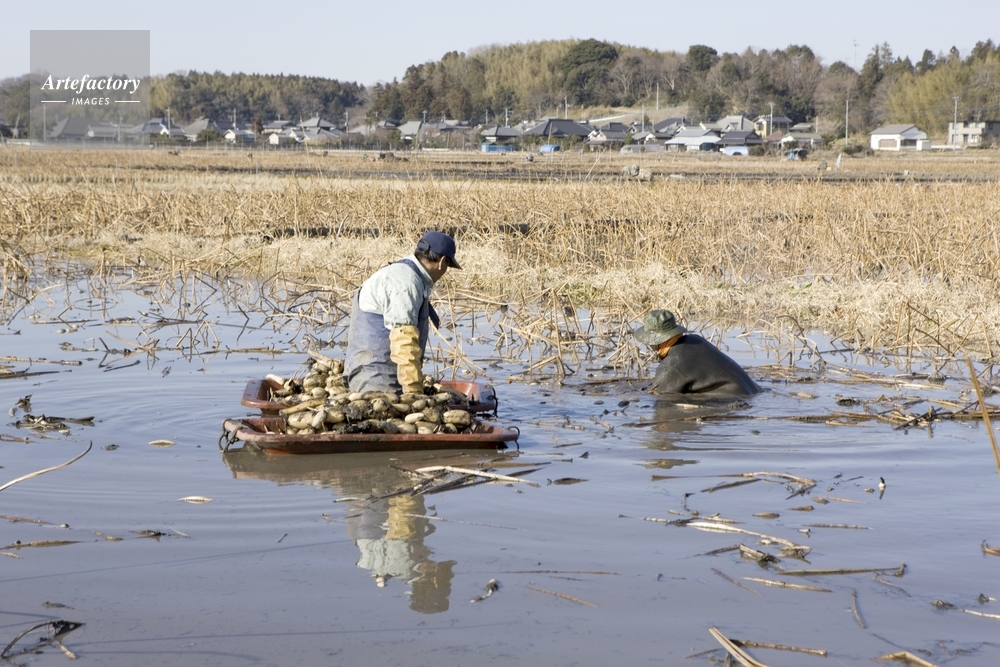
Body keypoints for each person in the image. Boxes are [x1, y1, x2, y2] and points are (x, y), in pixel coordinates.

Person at [345, 231, 461, 394]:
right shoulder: (405, 282)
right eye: (448, 266)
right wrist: (414, 391)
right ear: (442, 262)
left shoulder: (401, 273)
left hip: (371, 375)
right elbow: (404, 341)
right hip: (377, 380)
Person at [634, 309, 761, 397]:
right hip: (753, 390)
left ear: (655, 340)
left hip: (731, 399)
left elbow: (662, 398)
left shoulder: (670, 365)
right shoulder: (696, 340)